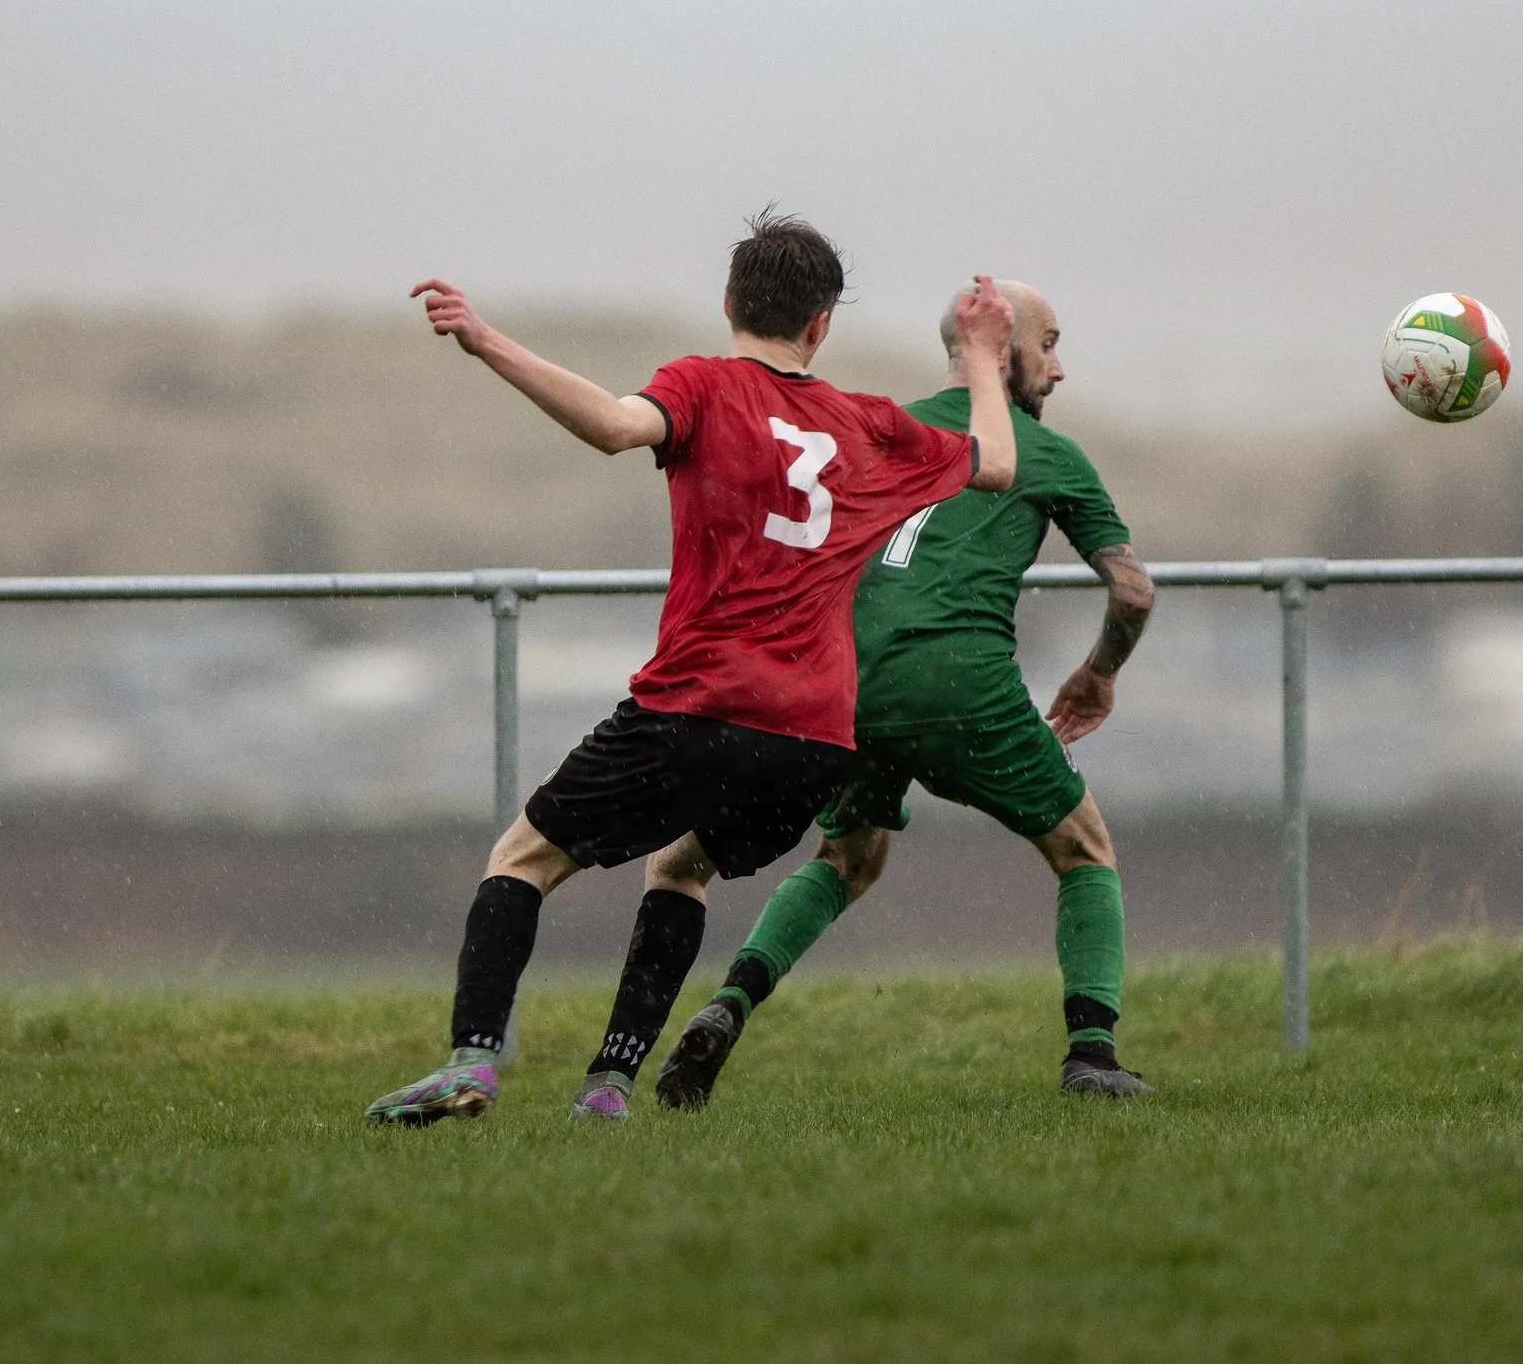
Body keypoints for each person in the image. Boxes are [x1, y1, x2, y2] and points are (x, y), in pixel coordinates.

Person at [366, 212, 1021, 1127]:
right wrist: (987, 354)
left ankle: (473, 1063)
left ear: (728, 303)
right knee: (680, 869)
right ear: (821, 323)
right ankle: (608, 1086)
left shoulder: (702, 387)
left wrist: (483, 340)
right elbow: (995, 461)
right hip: (811, 740)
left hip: (696, 705)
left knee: (523, 855)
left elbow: (610, 425)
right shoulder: (868, 425)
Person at [646, 279, 1159, 1108]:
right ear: (999, 350)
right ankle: (1092, 1055)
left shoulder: (877, 426)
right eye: (1049, 343)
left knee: (848, 856)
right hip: (959, 681)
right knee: (1083, 848)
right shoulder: (1045, 451)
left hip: (844, 680)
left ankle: (727, 1006)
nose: (1059, 370)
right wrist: (1100, 672)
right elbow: (1133, 591)